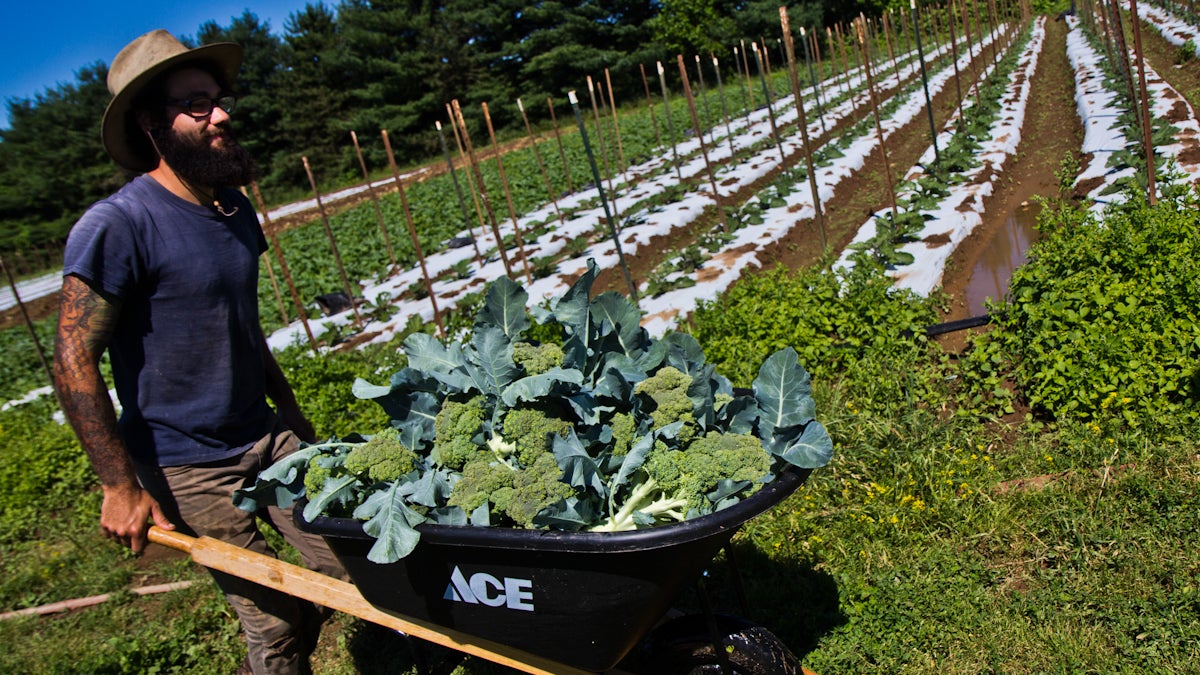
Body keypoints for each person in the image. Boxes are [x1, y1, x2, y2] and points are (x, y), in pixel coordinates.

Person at [53, 29, 343, 675]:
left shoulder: (232, 206)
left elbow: (241, 322)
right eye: (196, 104)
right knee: (273, 622)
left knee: (352, 563)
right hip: (187, 463)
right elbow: (72, 358)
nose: (220, 115)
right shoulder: (119, 225)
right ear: (153, 124)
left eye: (218, 100)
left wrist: (289, 410)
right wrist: (118, 484)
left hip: (264, 436)